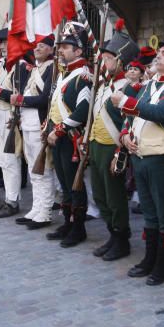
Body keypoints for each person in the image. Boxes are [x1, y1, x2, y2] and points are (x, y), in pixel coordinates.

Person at [114, 26, 164, 285]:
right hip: (141, 155)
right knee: (149, 212)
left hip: (161, 158)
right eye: (159, 53)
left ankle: (163, 263)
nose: (158, 56)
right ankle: (149, 258)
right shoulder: (148, 86)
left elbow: (160, 113)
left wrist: (126, 102)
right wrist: (125, 135)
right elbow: (130, 117)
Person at [87, 21, 140, 261]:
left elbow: (128, 123)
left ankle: (121, 238)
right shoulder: (102, 85)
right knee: (100, 195)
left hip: (113, 147)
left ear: (119, 61)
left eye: (108, 59)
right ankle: (111, 234)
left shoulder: (128, 87)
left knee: (115, 196)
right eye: (103, 58)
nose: (103, 63)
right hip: (96, 143)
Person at [44, 21, 93, 247]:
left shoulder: (83, 76)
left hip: (71, 137)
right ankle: (67, 222)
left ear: (79, 51)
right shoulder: (64, 74)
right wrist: (49, 125)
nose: (60, 50)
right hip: (59, 137)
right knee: (64, 183)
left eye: (65, 46)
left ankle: (78, 227)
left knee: (74, 184)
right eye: (61, 46)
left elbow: (83, 110)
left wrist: (60, 128)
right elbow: (56, 103)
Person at [15, 35, 58, 230]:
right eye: (36, 46)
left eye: (42, 46)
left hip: (40, 124)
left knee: (44, 169)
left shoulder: (52, 68)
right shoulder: (36, 70)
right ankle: (36, 208)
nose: (37, 49)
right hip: (28, 123)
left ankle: (45, 212)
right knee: (34, 169)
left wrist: (21, 100)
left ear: (51, 49)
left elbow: (44, 99)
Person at [0, 28, 28, 218]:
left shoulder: (20, 66)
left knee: (11, 161)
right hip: (0, 115)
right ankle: (9, 198)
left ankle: (13, 200)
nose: (1, 46)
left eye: (5, 43)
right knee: (4, 160)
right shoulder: (3, 66)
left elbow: (17, 96)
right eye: (1, 43)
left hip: (11, 117)